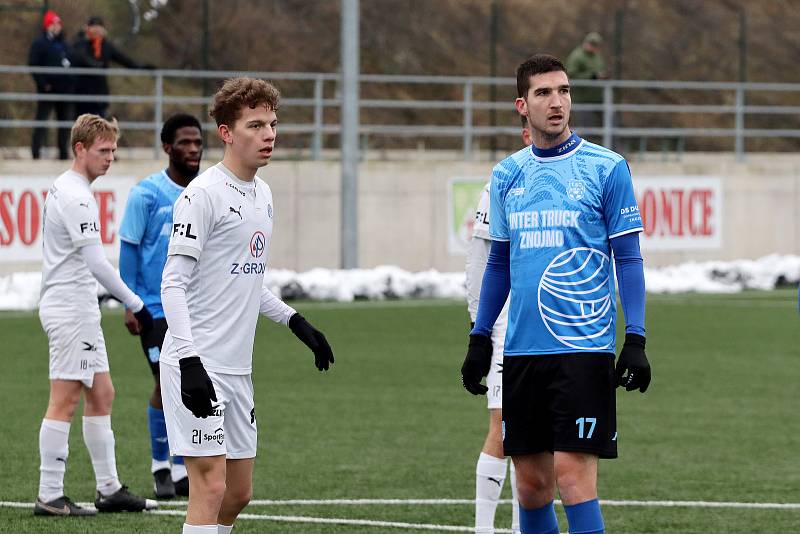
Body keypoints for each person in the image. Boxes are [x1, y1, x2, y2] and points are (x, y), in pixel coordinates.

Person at [460, 54, 650, 534]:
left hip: (583, 349)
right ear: (522, 105)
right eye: (544, 93)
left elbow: (628, 258)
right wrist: (480, 337)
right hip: (523, 351)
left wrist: (637, 338)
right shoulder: (507, 176)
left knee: (573, 478)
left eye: (564, 91)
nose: (557, 101)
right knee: (531, 487)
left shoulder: (606, 169)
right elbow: (499, 262)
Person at [159, 77, 335, 533]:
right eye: (255, 125)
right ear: (226, 132)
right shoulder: (202, 196)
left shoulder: (264, 195)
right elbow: (172, 285)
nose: (269, 135)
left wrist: (296, 322)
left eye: (272, 124)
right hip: (197, 363)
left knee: (238, 494)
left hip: (237, 368)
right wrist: (190, 360)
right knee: (210, 486)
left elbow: (247, 281)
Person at [35, 114, 158, 516]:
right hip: (70, 310)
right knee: (65, 400)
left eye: (113, 151)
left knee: (102, 394)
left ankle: (109, 489)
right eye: (103, 150)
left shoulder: (72, 189)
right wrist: (136, 302)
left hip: (79, 308)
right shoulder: (76, 195)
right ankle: (50, 495)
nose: (110, 158)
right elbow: (96, 263)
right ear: (80, 149)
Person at [119, 113, 204, 499]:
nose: (193, 149)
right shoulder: (146, 194)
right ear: (168, 148)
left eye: (198, 142)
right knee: (163, 382)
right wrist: (129, 304)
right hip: (153, 308)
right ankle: (160, 467)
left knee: (191, 385)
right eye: (185, 143)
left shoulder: (205, 193)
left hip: (195, 308)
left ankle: (183, 468)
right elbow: (129, 250)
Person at [466, 115, 531, 534]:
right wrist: (480, 328)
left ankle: (524, 526)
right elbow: (480, 261)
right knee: (504, 425)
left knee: (537, 438)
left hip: (550, 326)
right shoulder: (502, 183)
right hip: (507, 324)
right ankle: (484, 529)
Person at [70, 16, 154, 118]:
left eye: (98, 27)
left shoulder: (106, 46)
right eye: (93, 27)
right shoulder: (80, 43)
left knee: (99, 127)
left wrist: (143, 67)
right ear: (87, 28)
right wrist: (95, 65)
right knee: (81, 127)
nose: (96, 30)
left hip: (100, 95)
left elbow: (125, 60)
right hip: (81, 95)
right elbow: (80, 57)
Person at [28, 9, 74, 160]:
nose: (56, 26)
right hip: (47, 89)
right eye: (53, 24)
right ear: (47, 25)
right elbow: (33, 64)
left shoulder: (64, 44)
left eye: (58, 24)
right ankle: (36, 152)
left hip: (64, 90)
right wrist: (43, 83)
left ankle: (63, 152)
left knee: (64, 122)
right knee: (42, 120)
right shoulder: (39, 43)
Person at [565, 32, 607, 130]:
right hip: (582, 99)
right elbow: (571, 75)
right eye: (591, 44)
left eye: (596, 45)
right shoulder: (577, 56)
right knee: (585, 128)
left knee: (609, 124)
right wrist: (592, 76)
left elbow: (599, 70)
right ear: (585, 43)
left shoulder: (597, 56)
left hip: (598, 98)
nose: (593, 47)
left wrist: (602, 76)